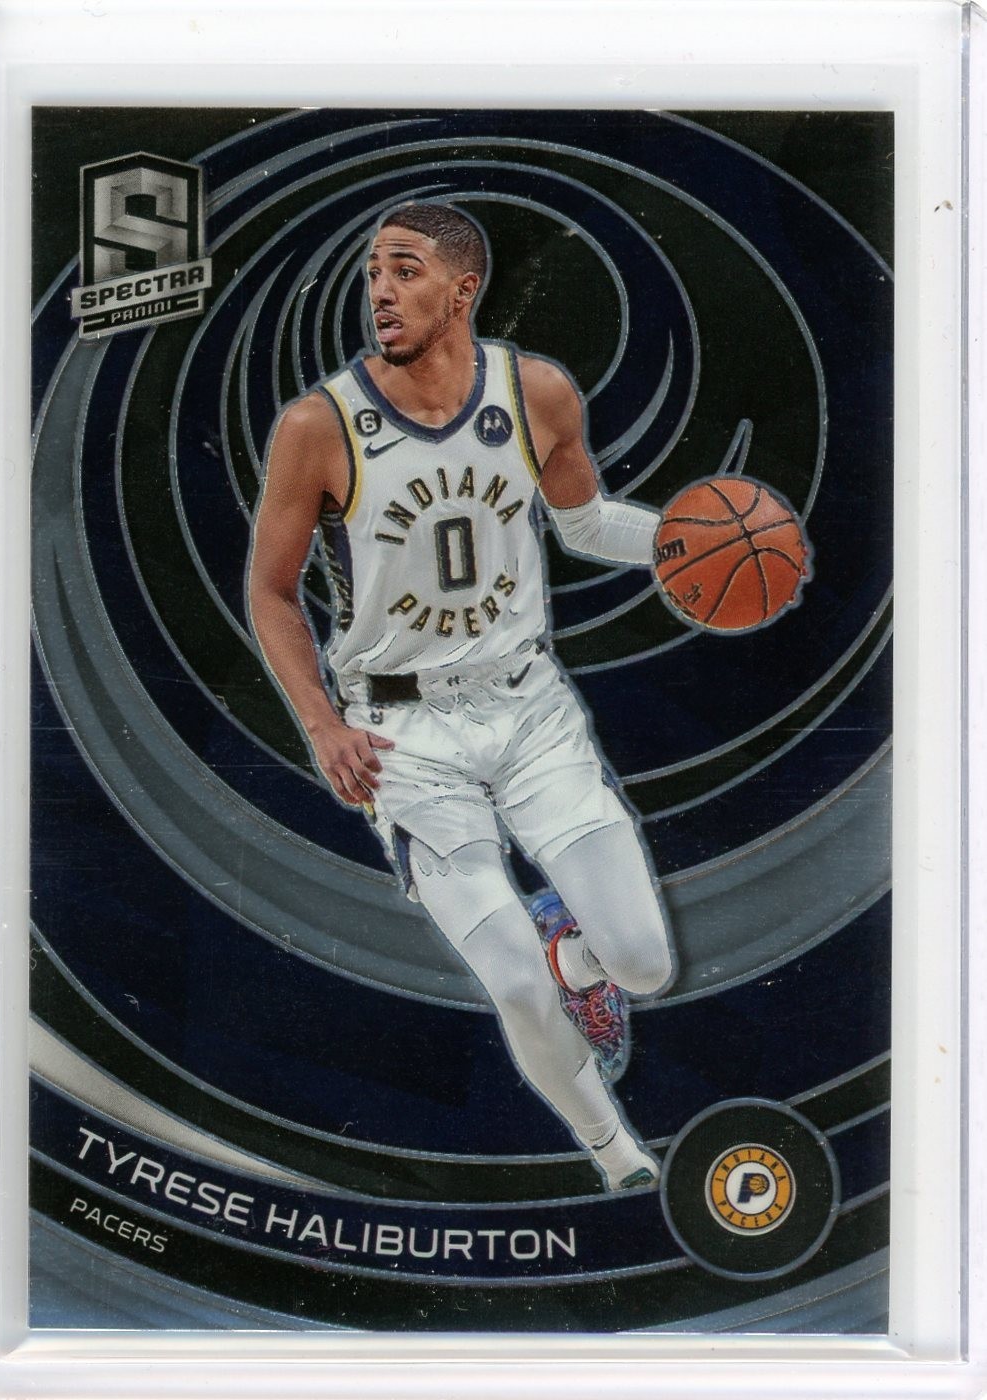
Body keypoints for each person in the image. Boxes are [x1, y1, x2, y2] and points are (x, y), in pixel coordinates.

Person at [247, 202, 676, 1191]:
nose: (381, 292)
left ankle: (579, 958)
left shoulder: (537, 393)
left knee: (646, 963)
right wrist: (320, 723)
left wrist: (686, 539)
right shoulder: (318, 426)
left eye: (404, 271)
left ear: (462, 288)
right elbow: (270, 592)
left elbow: (584, 524)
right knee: (512, 982)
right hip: (400, 732)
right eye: (372, 273)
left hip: (529, 710)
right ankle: (618, 1158)